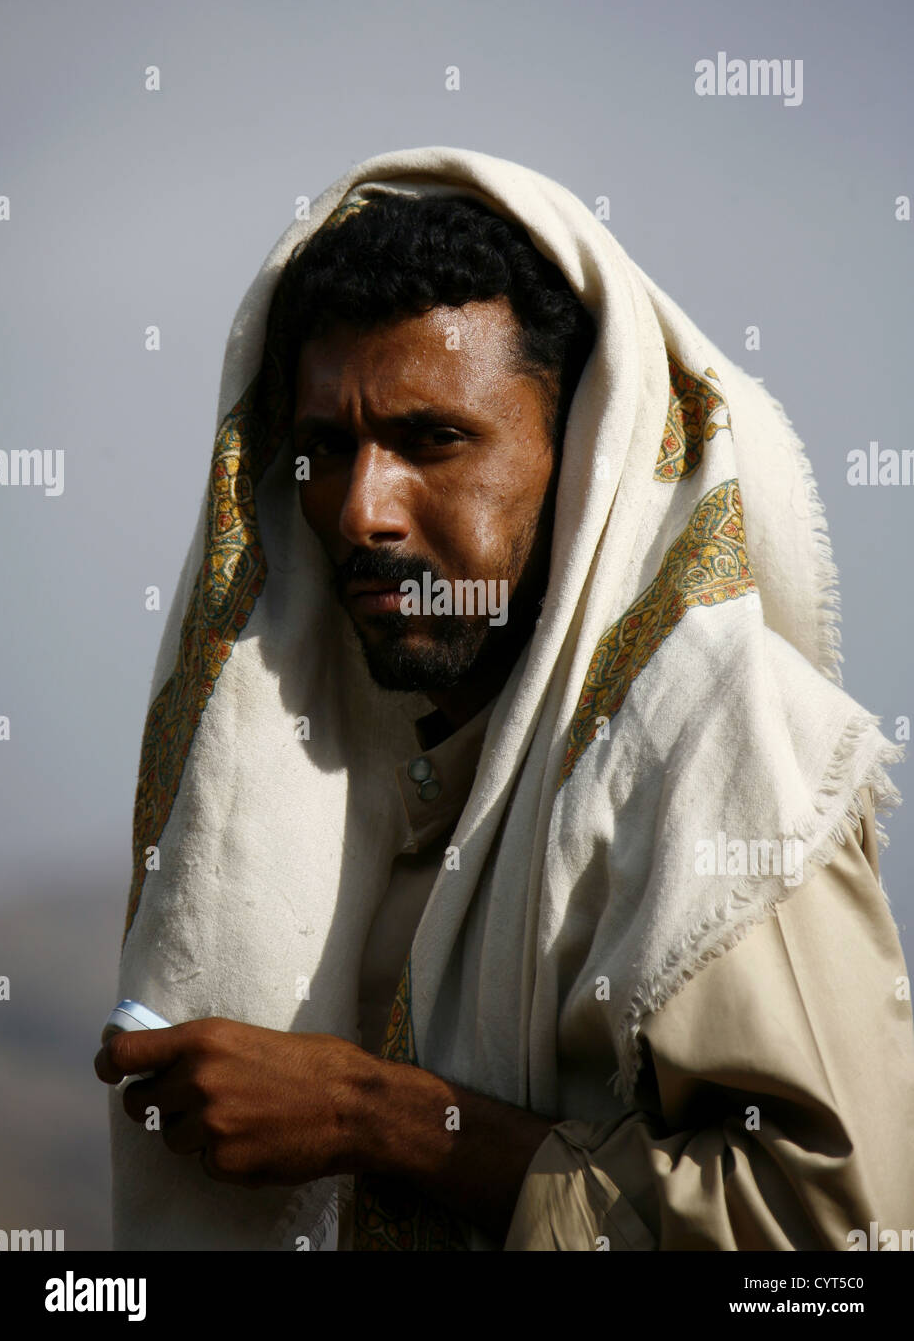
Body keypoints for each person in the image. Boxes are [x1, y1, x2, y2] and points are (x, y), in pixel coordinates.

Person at [96, 147, 914, 1251]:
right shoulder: (380, 775)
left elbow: (828, 1238)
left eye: (433, 440)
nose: (363, 513)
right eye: (328, 451)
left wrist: (368, 1116)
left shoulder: (717, 747)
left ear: (584, 453)